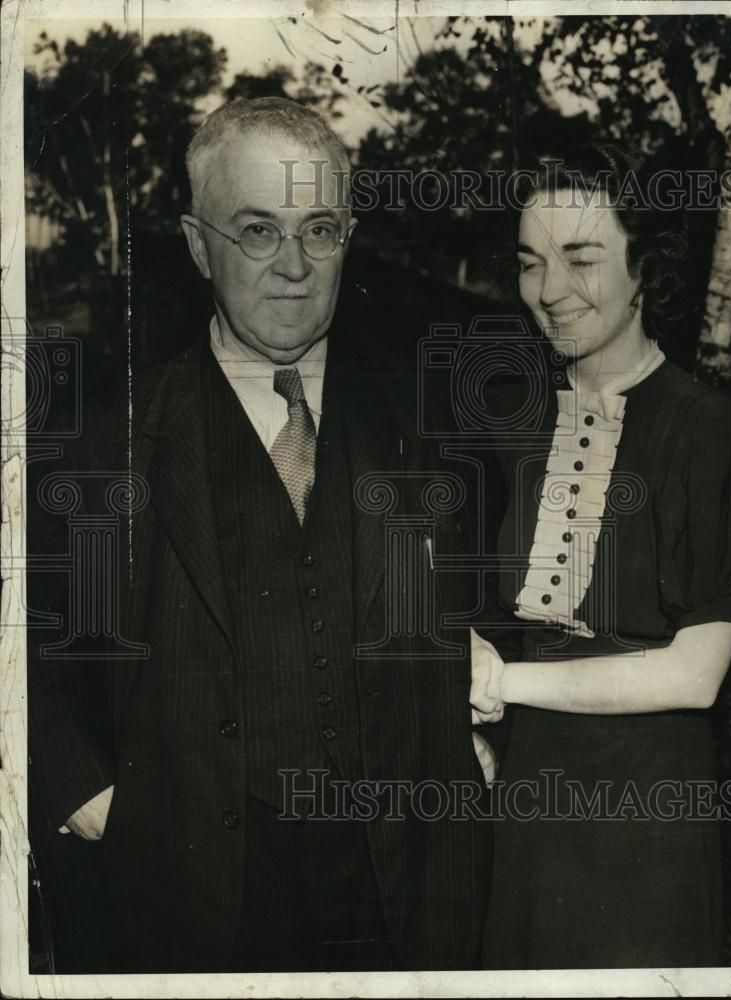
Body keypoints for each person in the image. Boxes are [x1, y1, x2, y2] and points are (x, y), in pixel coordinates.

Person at [27, 97, 491, 974]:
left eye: (319, 229)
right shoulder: (105, 444)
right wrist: (88, 796)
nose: (293, 266)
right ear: (199, 245)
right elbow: (28, 652)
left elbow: (492, 604)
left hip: (402, 895)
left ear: (348, 236)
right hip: (189, 898)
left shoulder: (429, 424)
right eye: (256, 230)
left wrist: (479, 744)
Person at [471, 142, 731, 969]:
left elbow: (693, 673)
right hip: (526, 816)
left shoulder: (718, 435)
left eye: (582, 258)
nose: (550, 290)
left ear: (645, 270)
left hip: (645, 826)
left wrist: (503, 684)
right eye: (532, 263)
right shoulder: (517, 425)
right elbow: (483, 613)